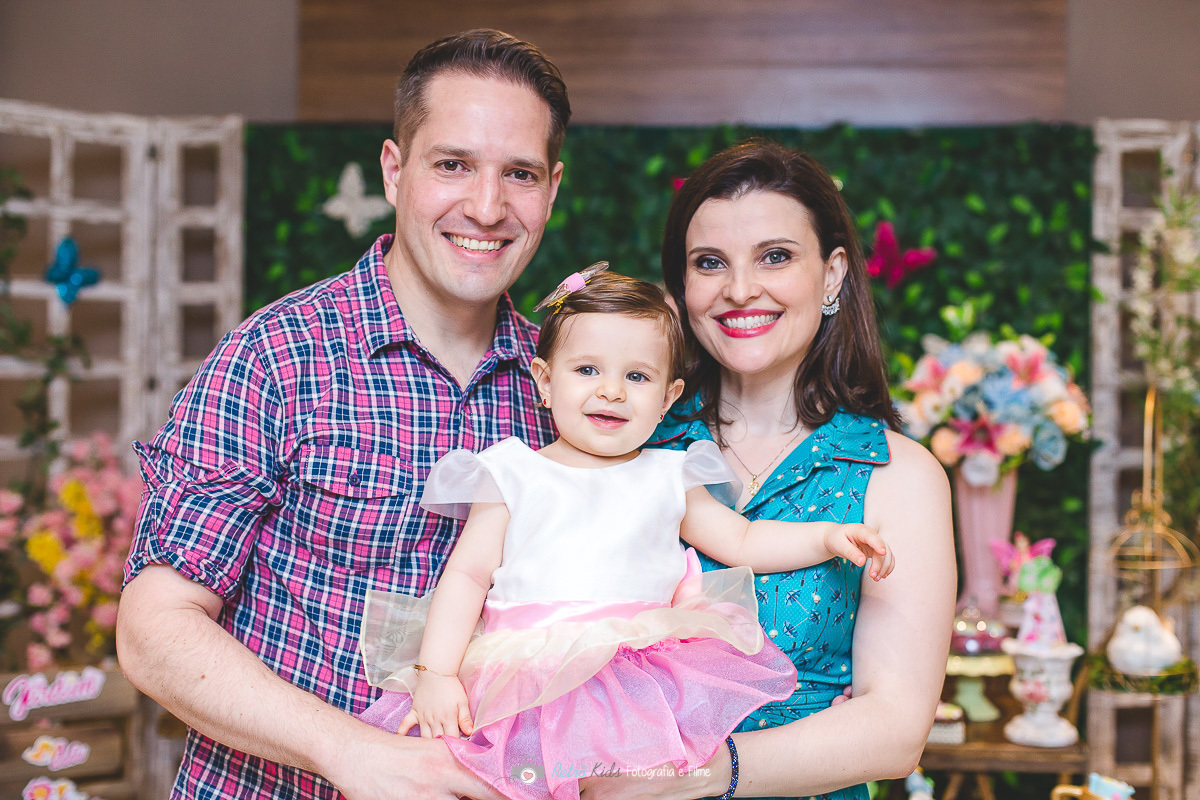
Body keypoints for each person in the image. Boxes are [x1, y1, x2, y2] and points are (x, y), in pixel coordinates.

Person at [115, 30, 571, 800]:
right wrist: (349, 751)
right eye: (453, 164)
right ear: (395, 171)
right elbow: (154, 631)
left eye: (518, 174)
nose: (487, 207)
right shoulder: (276, 356)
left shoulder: (562, 390)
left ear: (552, 189)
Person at [355, 269, 895, 800]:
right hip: (524, 682)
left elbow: (742, 540)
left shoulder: (669, 475)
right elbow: (467, 577)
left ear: (667, 396)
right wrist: (438, 674)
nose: (611, 391)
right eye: (587, 369)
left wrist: (825, 537)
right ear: (545, 381)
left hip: (635, 684)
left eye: (637, 377)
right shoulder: (513, 472)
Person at [579, 141, 956, 800]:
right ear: (682, 291)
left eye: (775, 257)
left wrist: (688, 777)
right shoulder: (623, 449)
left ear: (833, 275)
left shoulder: (898, 476)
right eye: (710, 263)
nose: (741, 289)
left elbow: (895, 730)